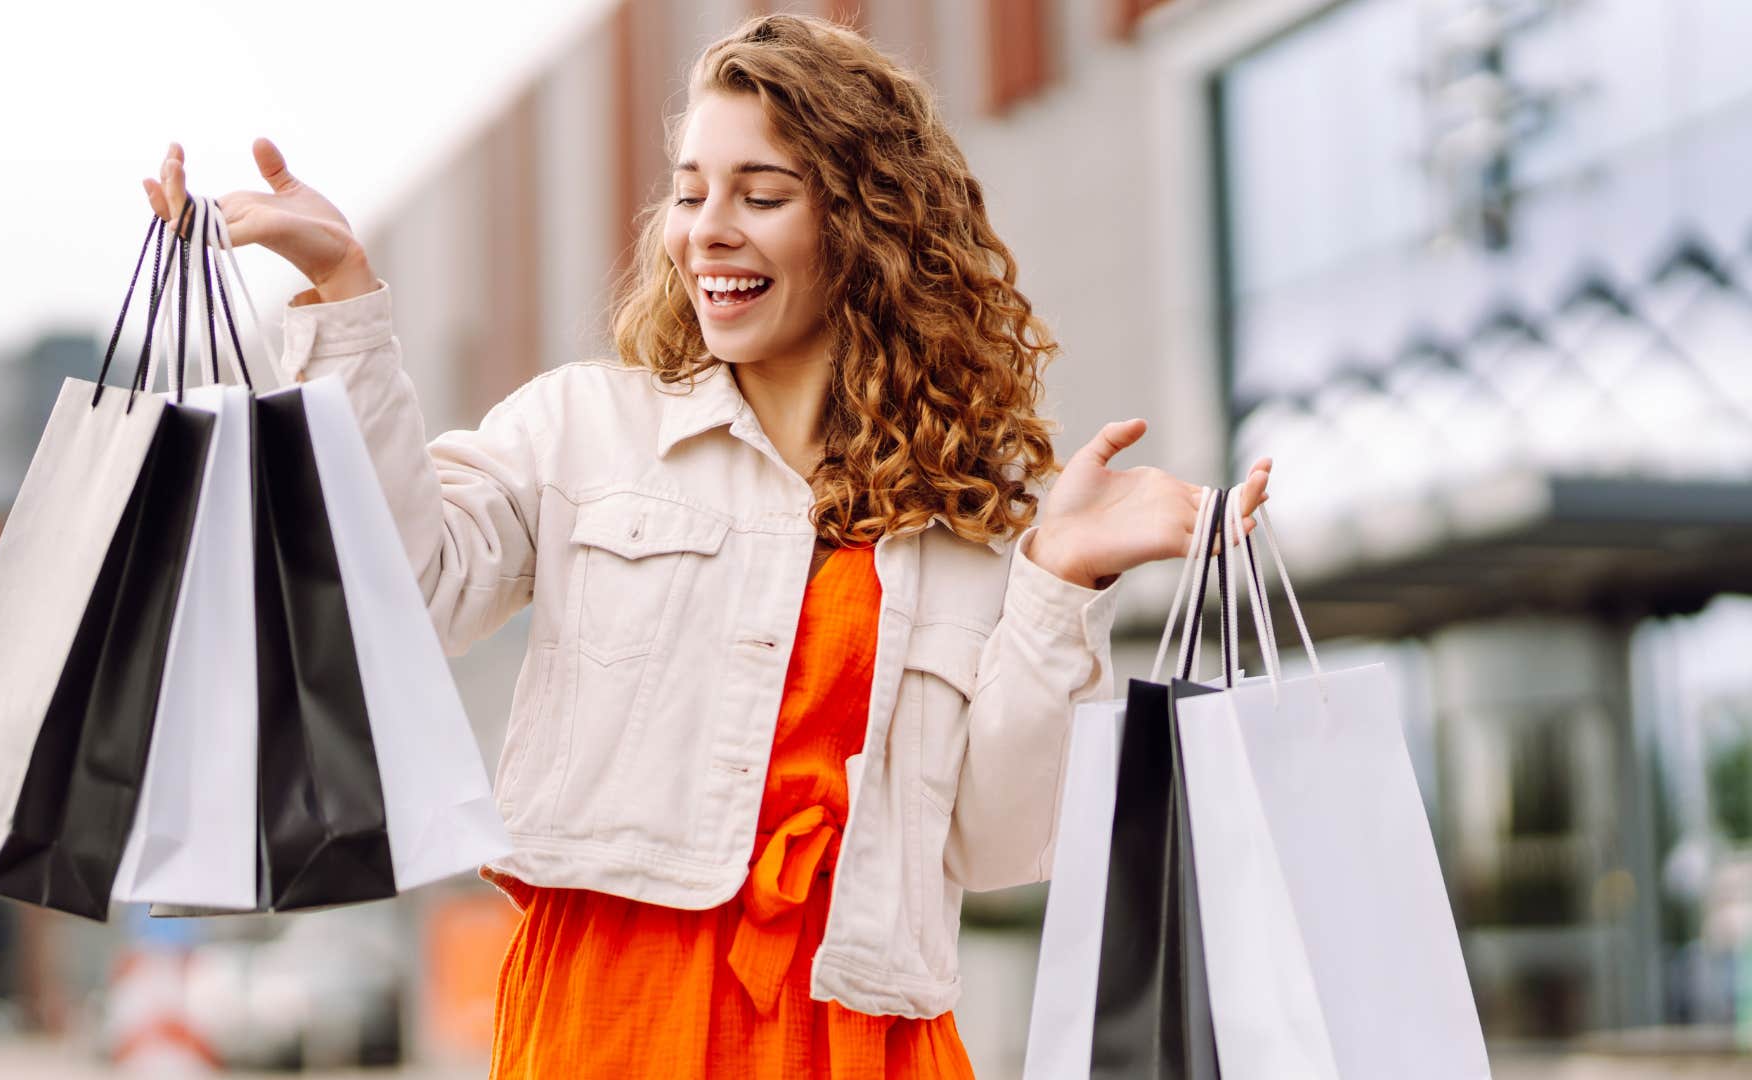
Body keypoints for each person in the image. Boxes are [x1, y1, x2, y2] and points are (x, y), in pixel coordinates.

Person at [144, 13, 1269, 1078]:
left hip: (861, 1030)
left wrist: (1061, 579)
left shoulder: (961, 517)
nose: (706, 229)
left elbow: (998, 841)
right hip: (614, 1023)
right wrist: (343, 294)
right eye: (690, 193)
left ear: (866, 224)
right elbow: (402, 591)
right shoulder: (584, 430)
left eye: (760, 194)